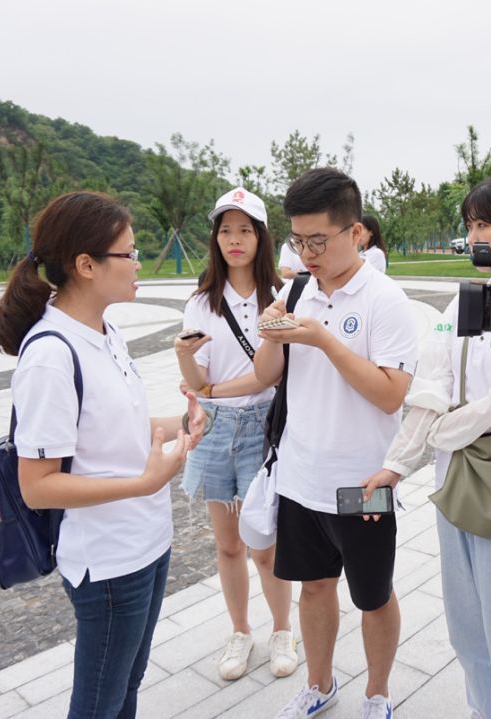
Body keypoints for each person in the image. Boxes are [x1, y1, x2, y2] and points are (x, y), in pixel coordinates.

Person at [0, 191, 207, 719]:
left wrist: (181, 422)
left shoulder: (105, 332)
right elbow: (36, 486)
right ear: (85, 265)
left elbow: (116, 430)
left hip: (148, 541)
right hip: (108, 560)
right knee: (97, 705)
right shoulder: (50, 356)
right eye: (128, 253)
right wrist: (144, 483)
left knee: (127, 686)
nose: (138, 263)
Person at [367, 172, 491, 719]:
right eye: (468, 224)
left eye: (482, 225)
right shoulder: (464, 302)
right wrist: (396, 466)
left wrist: (448, 429)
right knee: (468, 635)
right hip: (455, 482)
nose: (472, 236)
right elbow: (429, 387)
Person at [254, 168, 418, 719]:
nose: (307, 252)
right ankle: (318, 685)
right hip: (301, 476)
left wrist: (323, 338)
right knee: (315, 588)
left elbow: (391, 395)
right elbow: (267, 374)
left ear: (355, 232)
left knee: (373, 595)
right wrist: (271, 332)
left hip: (364, 481)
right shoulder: (296, 288)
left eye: (318, 241)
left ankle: (378, 693)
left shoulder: (385, 300)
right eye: (298, 241)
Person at [174, 187, 297, 682]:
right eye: (225, 230)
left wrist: (212, 387)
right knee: (227, 546)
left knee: (264, 544)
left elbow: (276, 374)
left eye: (245, 229)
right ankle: (241, 631)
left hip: (263, 426)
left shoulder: (281, 298)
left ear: (261, 237)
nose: (234, 240)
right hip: (216, 426)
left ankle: (283, 630)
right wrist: (184, 356)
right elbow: (194, 378)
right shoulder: (202, 302)